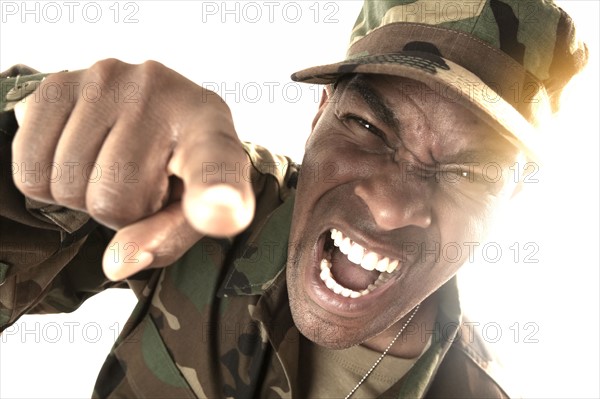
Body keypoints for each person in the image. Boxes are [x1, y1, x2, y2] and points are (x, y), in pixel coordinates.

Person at [0, 0, 588, 398]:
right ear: (319, 114)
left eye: (467, 174)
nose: (389, 207)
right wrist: (33, 136)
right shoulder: (205, 202)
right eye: (368, 129)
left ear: (509, 200)